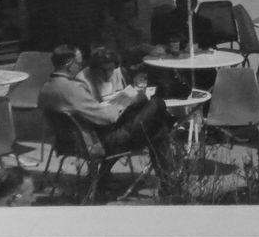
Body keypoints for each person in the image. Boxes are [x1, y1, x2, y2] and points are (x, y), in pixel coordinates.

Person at [38, 44, 175, 196]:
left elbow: (89, 112)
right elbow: (107, 118)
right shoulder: (72, 89)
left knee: (156, 129)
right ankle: (169, 186)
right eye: (78, 64)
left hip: (66, 142)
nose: (80, 68)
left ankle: (101, 181)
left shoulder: (46, 88)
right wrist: (124, 102)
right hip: (98, 143)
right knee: (157, 105)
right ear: (70, 65)